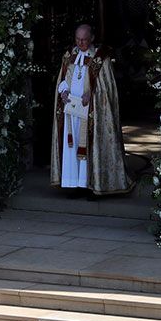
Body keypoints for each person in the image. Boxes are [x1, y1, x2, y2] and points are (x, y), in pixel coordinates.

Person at [51, 24, 132, 195]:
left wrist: (92, 94)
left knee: (90, 146)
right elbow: (63, 78)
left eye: (84, 39)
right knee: (71, 146)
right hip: (71, 111)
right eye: (78, 39)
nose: (80, 43)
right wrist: (63, 91)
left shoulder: (101, 58)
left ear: (92, 38)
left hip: (92, 112)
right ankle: (72, 185)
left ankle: (90, 185)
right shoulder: (69, 55)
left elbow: (107, 87)